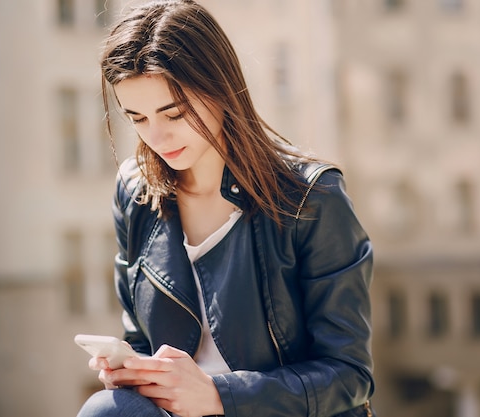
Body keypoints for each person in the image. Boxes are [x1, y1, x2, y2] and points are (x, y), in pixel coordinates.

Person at [77, 1, 376, 416]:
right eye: (137, 118)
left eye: (173, 113)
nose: (157, 137)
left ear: (219, 88)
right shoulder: (136, 192)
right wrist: (132, 371)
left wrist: (221, 395)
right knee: (107, 409)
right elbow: (141, 339)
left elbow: (350, 374)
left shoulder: (312, 197)